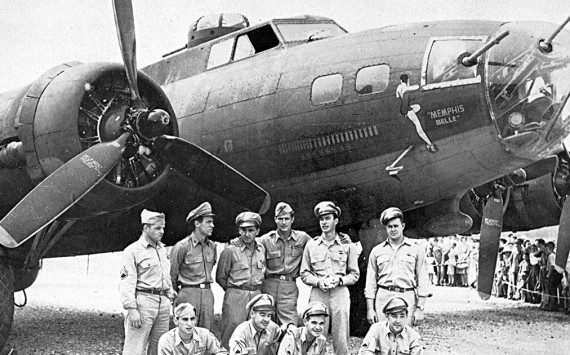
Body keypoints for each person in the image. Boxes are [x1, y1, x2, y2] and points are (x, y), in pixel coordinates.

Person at [300, 201, 360, 355]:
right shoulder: (311, 245)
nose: (324, 222)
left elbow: (354, 274)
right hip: (318, 293)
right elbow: (304, 273)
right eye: (321, 219)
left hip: (340, 292)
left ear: (336, 220)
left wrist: (340, 280)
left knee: (341, 336)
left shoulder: (348, 246)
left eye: (327, 218)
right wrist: (318, 282)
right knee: (316, 333)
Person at [119, 209, 177, 355]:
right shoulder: (132, 251)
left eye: (163, 228)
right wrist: (132, 309)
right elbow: (127, 282)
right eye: (157, 228)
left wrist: (169, 290)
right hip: (143, 303)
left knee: (160, 348)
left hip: (162, 304)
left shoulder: (162, 250)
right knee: (135, 348)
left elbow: (165, 274)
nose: (162, 231)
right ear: (146, 228)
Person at [364, 207, 429, 327]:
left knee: (406, 338)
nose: (393, 229)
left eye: (396, 226)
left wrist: (420, 307)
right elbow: (370, 281)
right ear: (385, 228)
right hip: (383, 296)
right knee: (383, 337)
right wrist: (370, 309)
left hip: (407, 296)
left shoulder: (416, 249)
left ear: (403, 226)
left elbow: (423, 279)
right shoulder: (377, 251)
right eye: (389, 227)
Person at [216, 212, 266, 348]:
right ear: (239, 230)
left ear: (257, 231)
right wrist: (234, 291)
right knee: (231, 332)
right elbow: (221, 276)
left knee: (254, 334)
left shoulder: (261, 250)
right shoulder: (230, 251)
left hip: (255, 294)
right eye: (244, 230)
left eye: (251, 230)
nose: (247, 234)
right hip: (236, 296)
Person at [258, 202, 312, 326]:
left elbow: (318, 245)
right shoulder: (265, 240)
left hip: (289, 286)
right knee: (266, 323)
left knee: (290, 325)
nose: (283, 222)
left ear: (292, 219)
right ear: (275, 219)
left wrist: (342, 239)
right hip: (268, 285)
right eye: (280, 219)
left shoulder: (302, 238)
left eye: (287, 219)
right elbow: (250, 246)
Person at [170, 202, 217, 329]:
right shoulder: (182, 246)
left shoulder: (212, 247)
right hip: (188, 292)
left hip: (207, 294)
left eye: (212, 222)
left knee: (206, 333)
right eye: (208, 222)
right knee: (186, 333)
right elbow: (172, 275)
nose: (212, 225)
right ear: (197, 223)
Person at [229, 293, 294, 355]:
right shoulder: (241, 332)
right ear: (252, 314)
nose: (266, 319)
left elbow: (281, 331)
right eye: (262, 315)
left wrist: (289, 326)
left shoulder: (272, 327)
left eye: (269, 315)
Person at [358, 296, 422, 355]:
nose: (398, 321)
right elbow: (365, 352)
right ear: (387, 315)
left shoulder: (413, 336)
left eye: (402, 316)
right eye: (394, 316)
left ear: (406, 316)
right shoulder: (376, 329)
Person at [158, 302, 228, 354]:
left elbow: (222, 352)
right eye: (185, 319)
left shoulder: (205, 335)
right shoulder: (166, 340)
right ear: (176, 321)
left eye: (192, 319)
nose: (189, 324)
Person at [396, 74, 437, 153]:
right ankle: (429, 144)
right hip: (407, 109)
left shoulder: (399, 87)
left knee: (417, 107)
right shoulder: (407, 88)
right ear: (408, 80)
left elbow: (399, 97)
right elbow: (414, 89)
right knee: (419, 128)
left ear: (401, 81)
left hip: (403, 108)